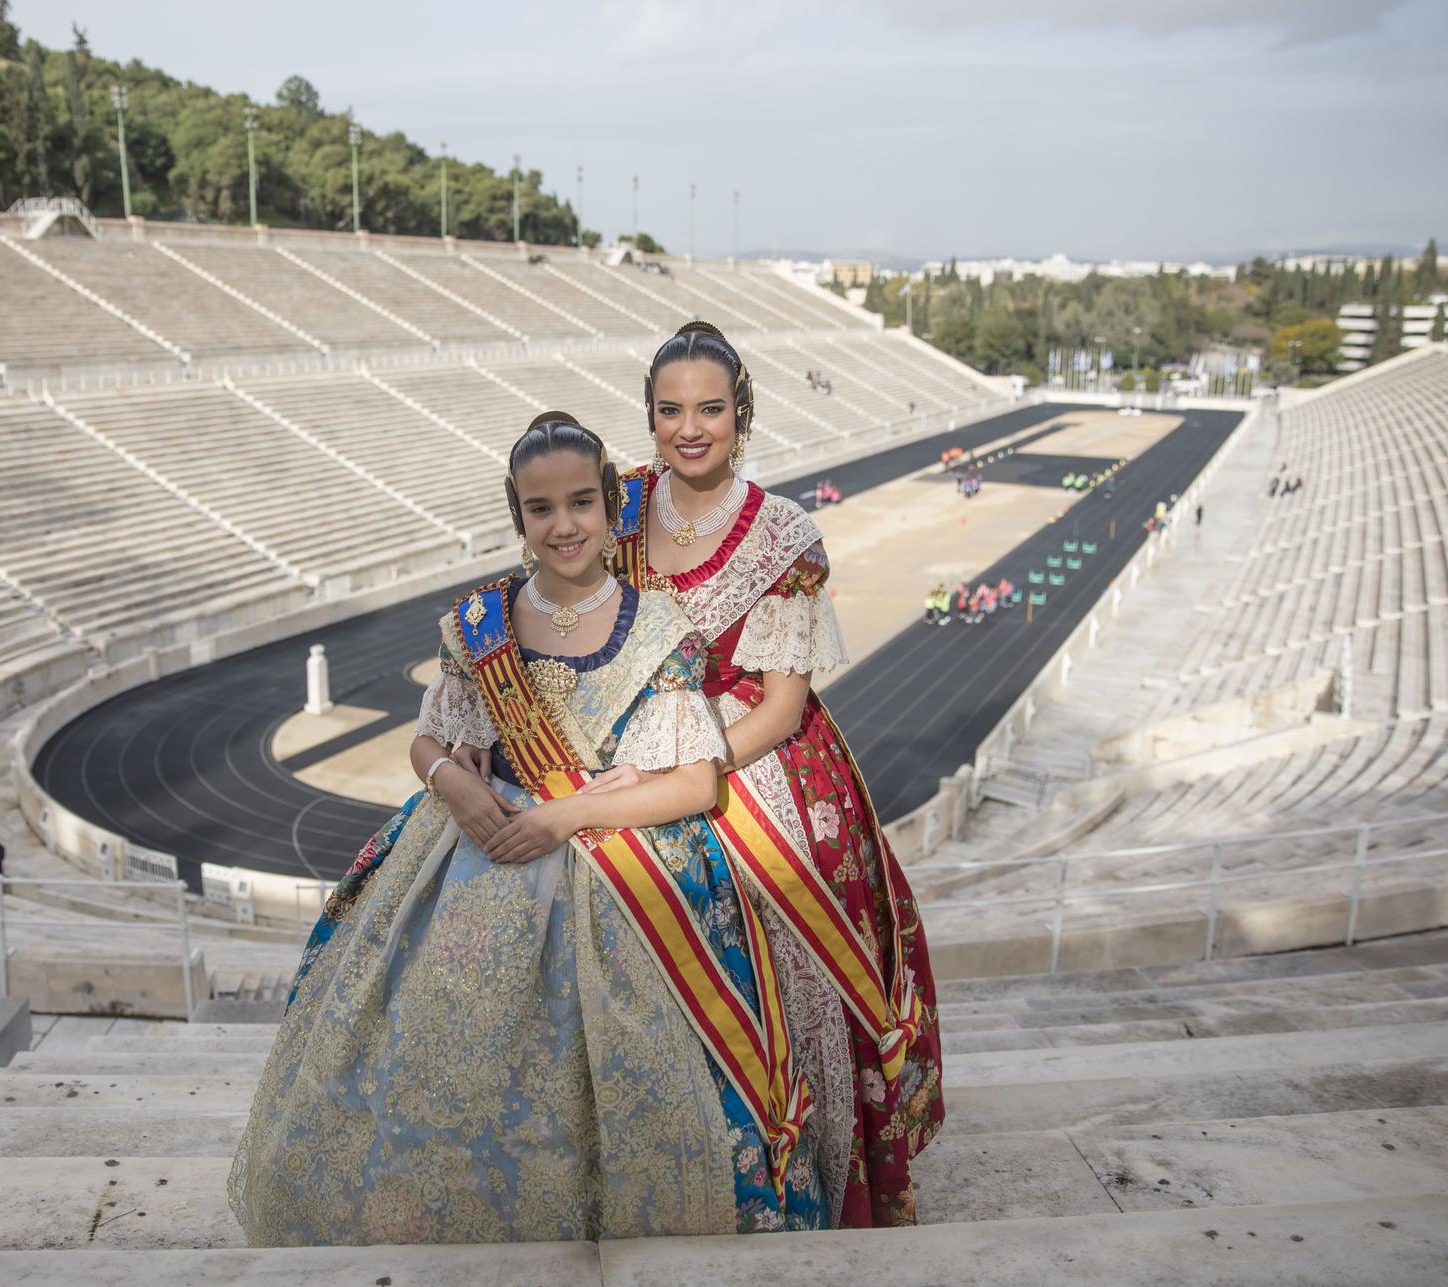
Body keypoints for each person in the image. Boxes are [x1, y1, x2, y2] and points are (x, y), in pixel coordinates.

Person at [231, 413, 824, 1246]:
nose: (564, 525)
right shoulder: (481, 621)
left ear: (614, 504)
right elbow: (429, 735)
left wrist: (565, 813)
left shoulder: (660, 628)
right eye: (541, 509)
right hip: (474, 851)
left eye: (583, 501)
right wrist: (448, 780)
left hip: (613, 867)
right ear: (519, 517)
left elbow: (694, 782)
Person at [610, 323, 943, 1227]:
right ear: (649, 415)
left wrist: (677, 772)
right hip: (641, 752)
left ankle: (804, 1176)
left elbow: (782, 709)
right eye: (671, 409)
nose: (690, 428)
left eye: (710, 408)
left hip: (756, 763)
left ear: (741, 414)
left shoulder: (782, 533)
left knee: (784, 966)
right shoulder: (620, 506)